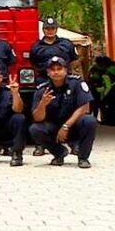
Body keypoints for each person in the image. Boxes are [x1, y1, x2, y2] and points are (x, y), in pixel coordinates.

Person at [29, 56, 97, 168]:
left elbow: (85, 108)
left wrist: (66, 126)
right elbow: (37, 118)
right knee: (35, 129)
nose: (56, 72)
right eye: (53, 69)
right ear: (48, 72)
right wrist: (42, 104)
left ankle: (83, 158)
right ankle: (59, 153)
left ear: (66, 70)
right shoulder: (42, 89)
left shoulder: (76, 83)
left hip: (74, 126)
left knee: (89, 121)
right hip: (54, 128)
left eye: (59, 69)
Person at [28, 17, 79, 156]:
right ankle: (41, 144)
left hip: (65, 81)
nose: (50, 31)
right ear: (43, 29)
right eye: (47, 28)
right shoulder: (36, 46)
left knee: (70, 109)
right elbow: (32, 63)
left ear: (56, 29)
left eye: (52, 28)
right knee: (40, 108)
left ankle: (74, 143)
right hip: (44, 80)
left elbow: (75, 60)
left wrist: (66, 73)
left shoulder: (66, 44)